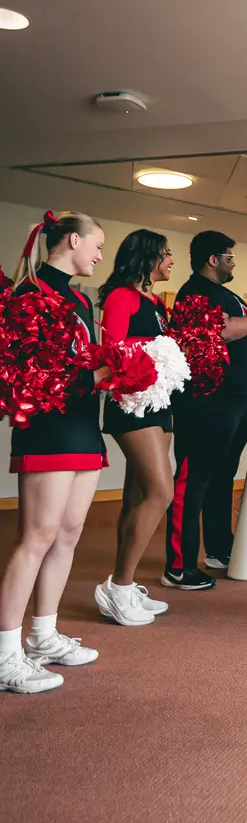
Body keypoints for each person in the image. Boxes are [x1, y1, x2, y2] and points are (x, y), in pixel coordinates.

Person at [0, 212, 106, 694]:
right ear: (73, 239)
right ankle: (5, 655)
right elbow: (28, 374)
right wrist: (100, 377)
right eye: (97, 246)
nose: (100, 256)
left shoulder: (81, 299)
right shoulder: (29, 294)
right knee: (36, 537)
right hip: (47, 428)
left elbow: (83, 363)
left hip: (84, 424)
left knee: (68, 533)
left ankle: (43, 636)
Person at [163, 231, 247, 590]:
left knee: (221, 478)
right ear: (213, 259)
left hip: (237, 400)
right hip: (208, 401)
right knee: (193, 480)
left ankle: (218, 548)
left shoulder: (228, 295)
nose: (234, 262)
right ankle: (179, 565)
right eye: (229, 256)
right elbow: (220, 331)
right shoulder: (195, 291)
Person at [93, 230, 174, 626]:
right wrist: (155, 351)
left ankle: (122, 585)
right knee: (162, 491)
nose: (171, 261)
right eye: (166, 254)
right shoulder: (120, 297)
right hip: (133, 403)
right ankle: (119, 588)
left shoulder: (156, 301)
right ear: (148, 258)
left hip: (160, 402)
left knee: (138, 495)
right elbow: (114, 351)